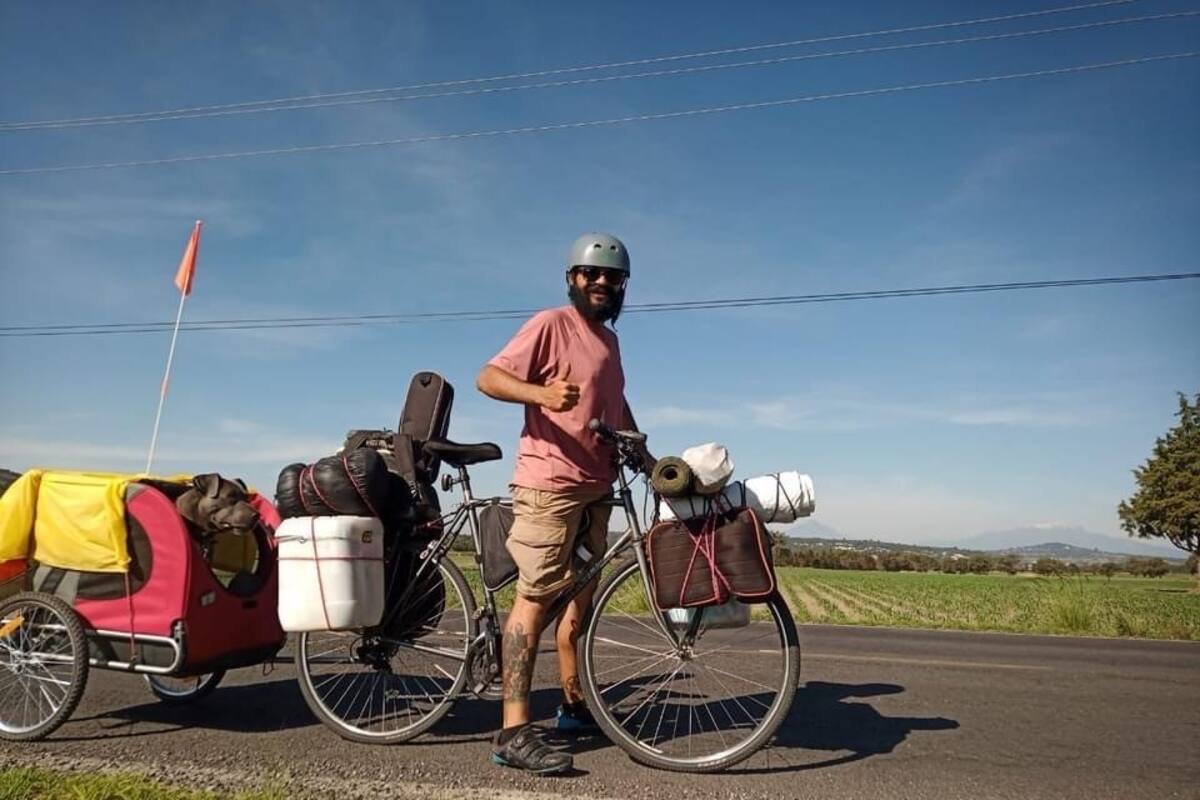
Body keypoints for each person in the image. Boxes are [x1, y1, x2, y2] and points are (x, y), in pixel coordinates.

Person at [476, 231, 646, 775]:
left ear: (622, 286)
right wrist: (542, 394)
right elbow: (489, 377)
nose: (601, 283)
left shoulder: (610, 342)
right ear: (572, 279)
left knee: (579, 605)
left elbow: (615, 404)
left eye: (612, 277)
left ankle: (572, 705)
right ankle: (512, 730)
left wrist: (642, 449)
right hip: (550, 483)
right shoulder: (552, 323)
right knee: (535, 598)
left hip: (598, 484)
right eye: (590, 274)